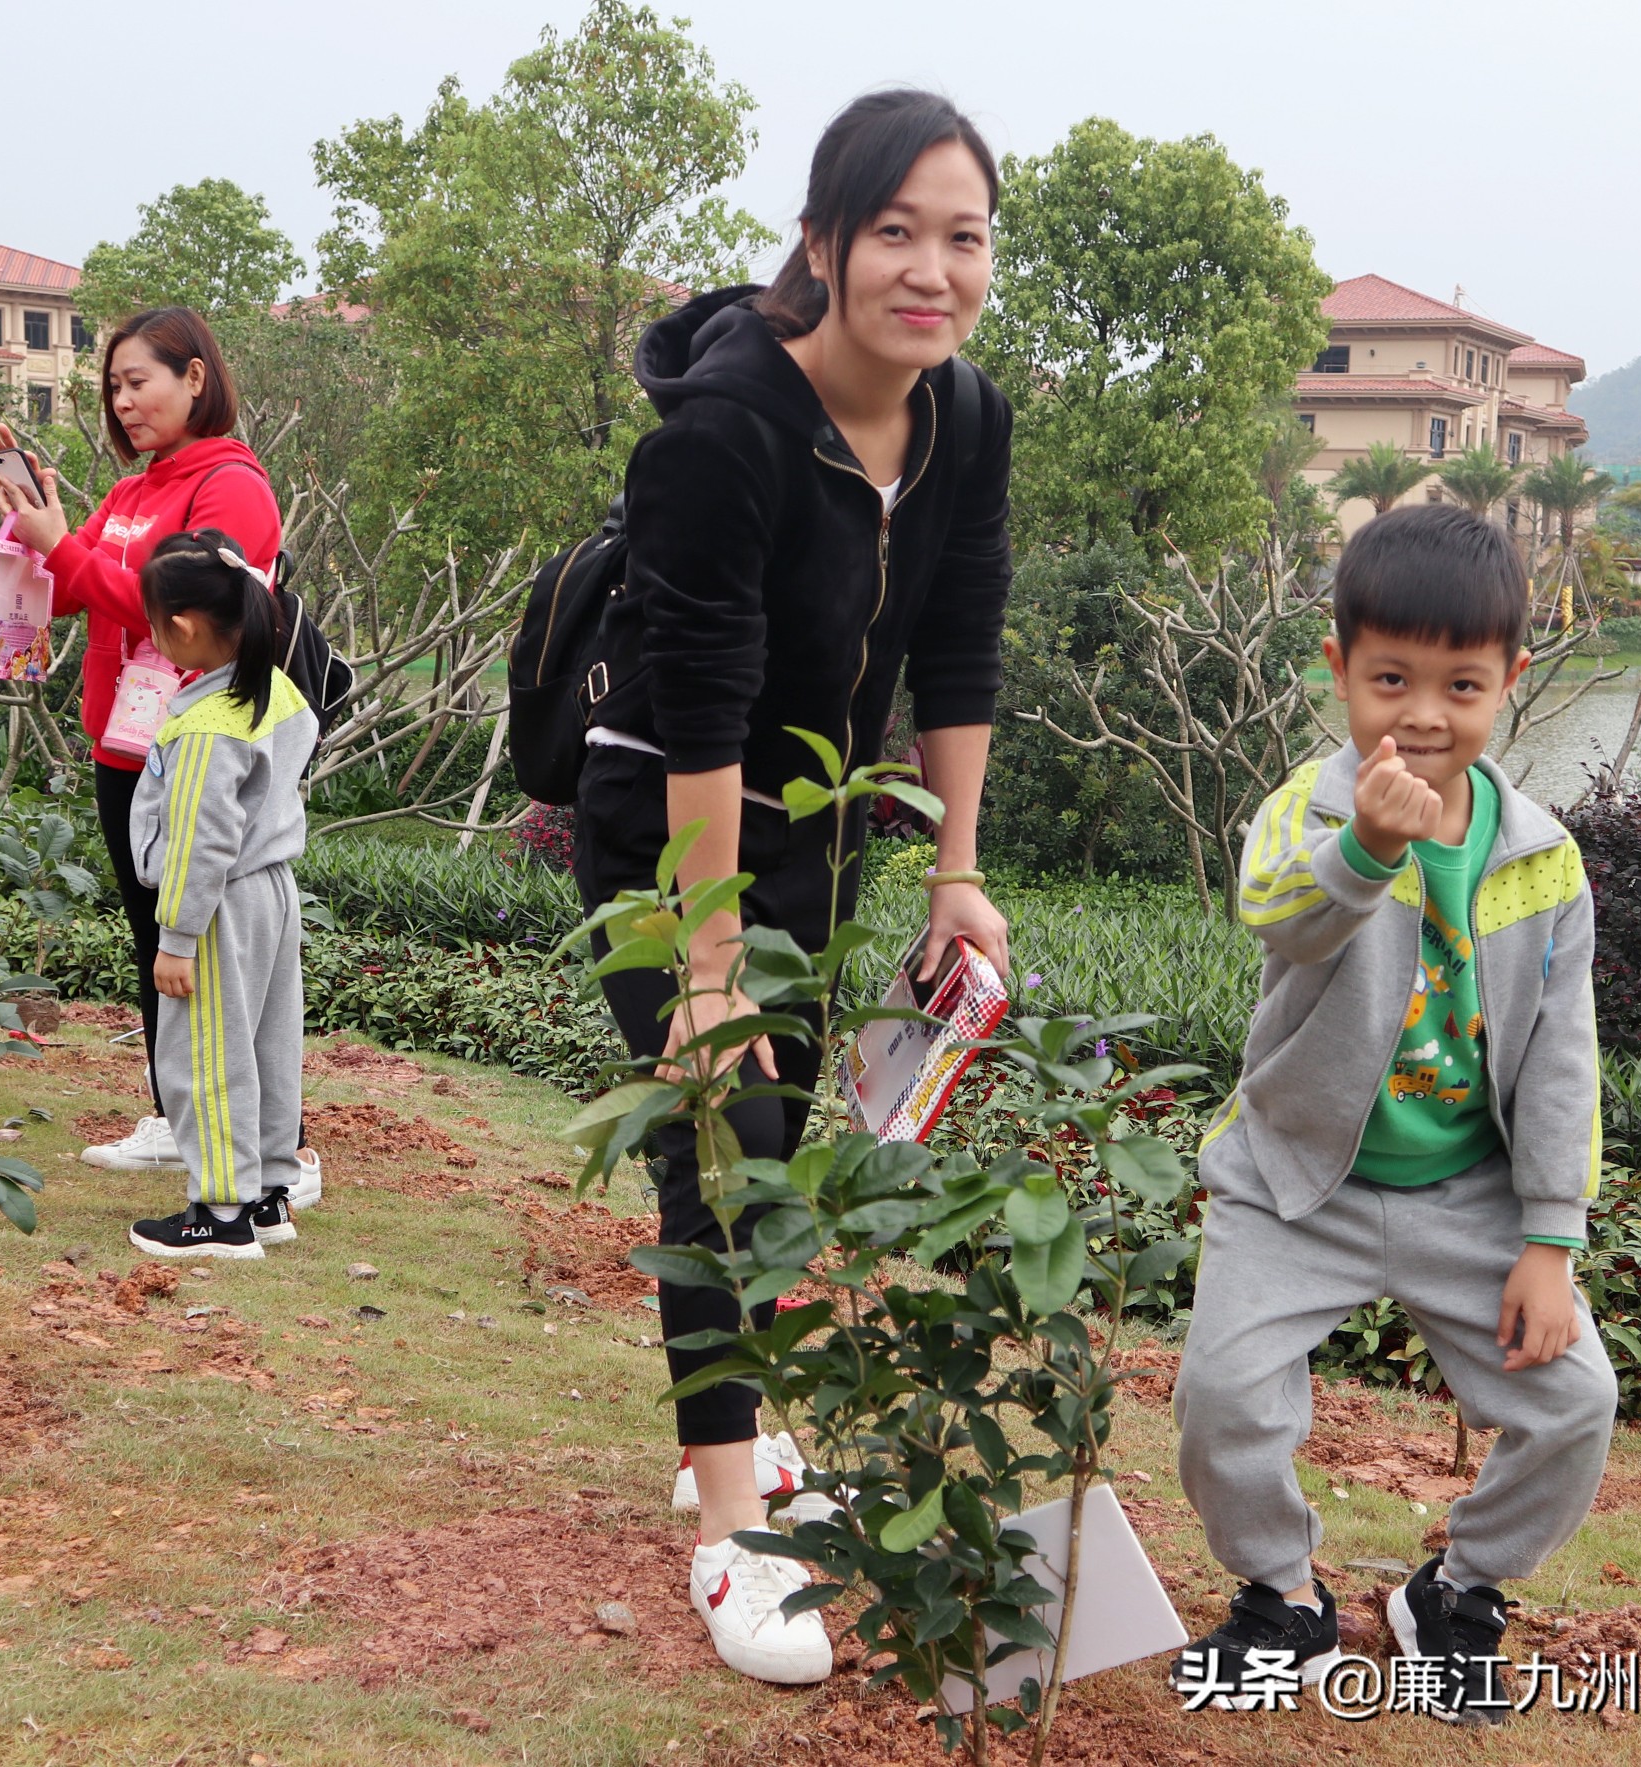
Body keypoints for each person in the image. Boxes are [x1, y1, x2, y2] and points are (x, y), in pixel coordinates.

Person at [571, 90, 1014, 1685]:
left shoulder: (965, 415)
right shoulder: (726, 430)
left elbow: (956, 645)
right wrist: (702, 955)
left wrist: (953, 868)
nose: (929, 269)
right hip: (666, 824)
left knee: (785, 1127)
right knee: (725, 1142)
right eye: (892, 231)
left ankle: (735, 1432)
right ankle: (728, 1533)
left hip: (821, 825)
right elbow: (698, 696)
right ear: (822, 243)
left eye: (961, 237)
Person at [1168, 503, 1619, 1725]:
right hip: (1294, 1181)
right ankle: (1281, 1595)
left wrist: (1551, 1239)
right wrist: (1367, 851)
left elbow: (1564, 1059)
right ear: (1340, 671)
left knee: (1576, 1403)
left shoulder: (1544, 860)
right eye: (1390, 678)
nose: (1422, 713)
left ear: (1510, 681)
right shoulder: (1312, 812)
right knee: (1221, 1400)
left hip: (1467, 1196)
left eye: (1461, 683)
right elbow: (1277, 919)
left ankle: (1455, 1594)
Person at [0, 308, 299, 1197]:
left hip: (196, 748)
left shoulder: (231, 487)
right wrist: (40, 525)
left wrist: (63, 549)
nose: (122, 402)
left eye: (137, 381)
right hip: (124, 745)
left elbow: (181, 616)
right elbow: (85, 588)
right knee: (150, 938)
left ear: (196, 378)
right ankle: (176, 1111)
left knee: (209, 952)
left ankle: (278, 1149)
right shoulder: (139, 489)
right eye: (112, 387)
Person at [119, 531, 314, 1259]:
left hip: (219, 903)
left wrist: (174, 937)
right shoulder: (274, 691)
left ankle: (220, 1214)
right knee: (266, 1045)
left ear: (186, 627)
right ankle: (267, 1193)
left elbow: (201, 842)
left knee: (203, 1051)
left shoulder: (205, 725)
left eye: (153, 621)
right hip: (272, 891)